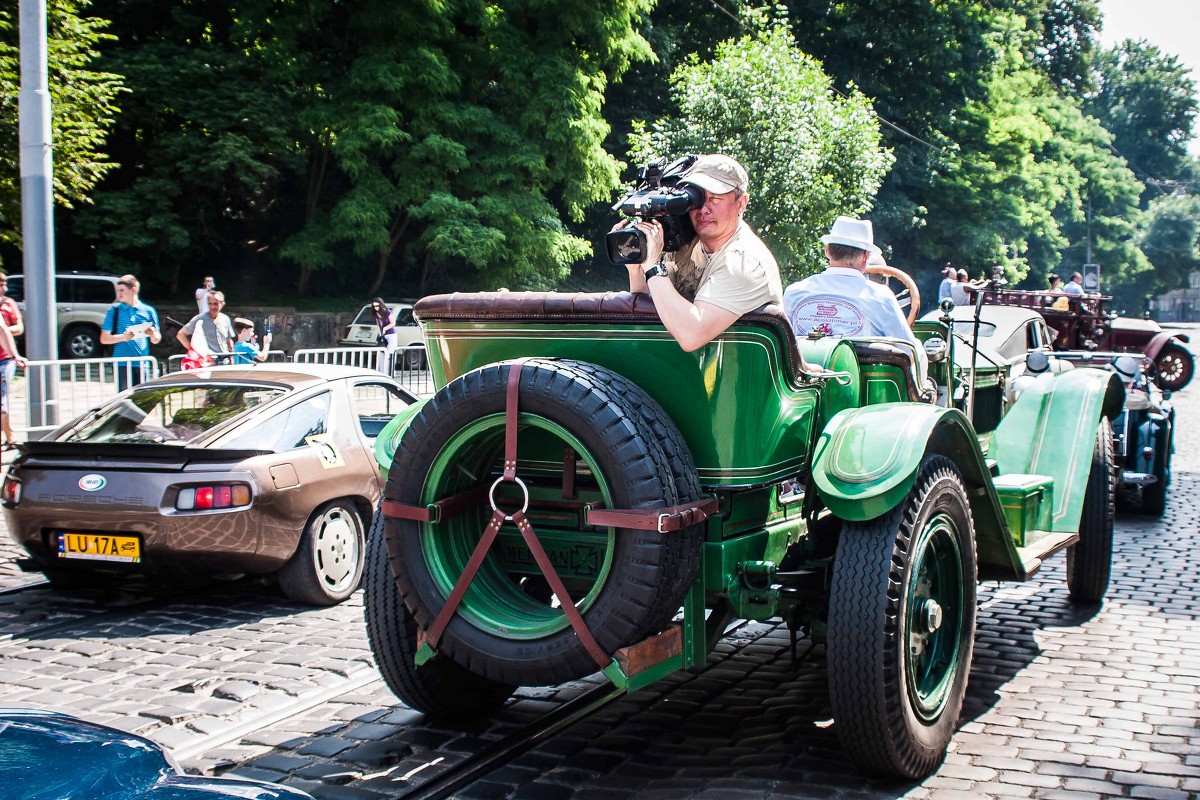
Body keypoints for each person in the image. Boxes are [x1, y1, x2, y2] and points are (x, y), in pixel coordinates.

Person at [614, 154, 783, 352]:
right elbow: (653, 306)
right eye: (697, 199)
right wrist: (637, 266)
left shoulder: (744, 262)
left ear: (741, 203)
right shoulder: (686, 247)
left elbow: (691, 335)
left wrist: (652, 267)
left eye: (715, 199)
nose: (703, 209)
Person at [783, 216, 930, 393]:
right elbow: (907, 350)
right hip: (862, 394)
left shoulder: (795, 292)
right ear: (865, 257)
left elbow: (785, 343)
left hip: (802, 390)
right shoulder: (880, 296)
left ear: (827, 251)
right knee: (918, 349)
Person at [100, 274, 162, 391]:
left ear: (133, 290)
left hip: (142, 363)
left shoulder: (148, 310)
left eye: (122, 290)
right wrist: (123, 337)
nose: (119, 294)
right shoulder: (114, 311)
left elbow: (156, 339)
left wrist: (153, 334)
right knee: (124, 398)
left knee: (142, 399)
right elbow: (104, 338)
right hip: (122, 363)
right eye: (118, 291)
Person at [0, 274, 27, 449]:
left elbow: (3, 330)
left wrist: (15, 355)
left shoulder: (8, 303)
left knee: (2, 403)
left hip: (4, 360)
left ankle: (9, 438)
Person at [177, 291, 235, 362]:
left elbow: (229, 340)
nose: (212, 307)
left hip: (225, 360)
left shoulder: (226, 319)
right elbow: (180, 335)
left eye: (215, 304)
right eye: (210, 303)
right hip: (207, 361)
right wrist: (194, 351)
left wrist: (232, 358)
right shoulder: (200, 319)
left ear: (222, 304)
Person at [369, 297, 398, 373]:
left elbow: (393, 323)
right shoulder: (376, 314)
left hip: (391, 335)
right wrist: (380, 334)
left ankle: (390, 372)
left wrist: (385, 328)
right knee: (382, 353)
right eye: (374, 306)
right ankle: (383, 371)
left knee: (390, 353)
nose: (376, 308)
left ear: (381, 305)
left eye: (377, 306)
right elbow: (378, 325)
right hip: (383, 336)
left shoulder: (387, 312)